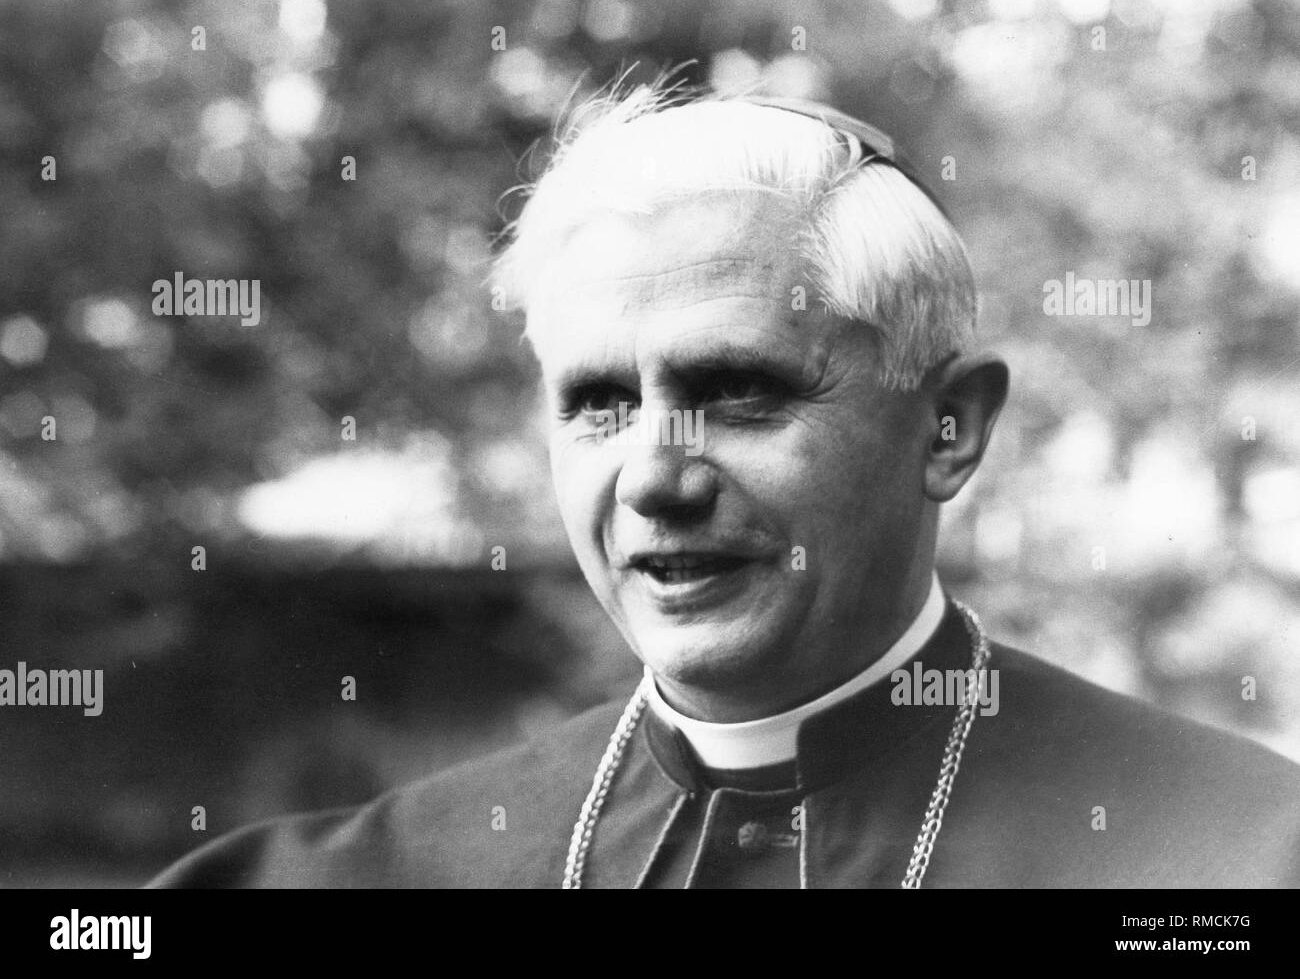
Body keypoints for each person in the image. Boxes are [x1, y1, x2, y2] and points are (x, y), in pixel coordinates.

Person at [151, 84, 1300, 888]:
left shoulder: (1241, 860)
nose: (653, 475)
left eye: (740, 390)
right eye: (599, 403)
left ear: (948, 428)